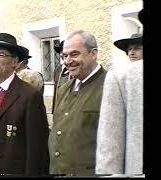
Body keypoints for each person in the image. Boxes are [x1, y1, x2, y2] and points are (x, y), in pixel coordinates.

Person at [0, 33, 49, 176]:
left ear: (15, 61)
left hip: (11, 171)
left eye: (1, 55)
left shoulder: (30, 95)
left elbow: (36, 147)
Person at [48, 30, 107, 176]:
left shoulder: (111, 85)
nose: (67, 61)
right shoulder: (64, 87)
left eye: (74, 54)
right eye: (64, 56)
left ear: (93, 53)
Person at [95, 9, 144, 176]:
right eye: (129, 49)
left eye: (137, 48)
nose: (131, 52)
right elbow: (110, 140)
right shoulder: (120, 76)